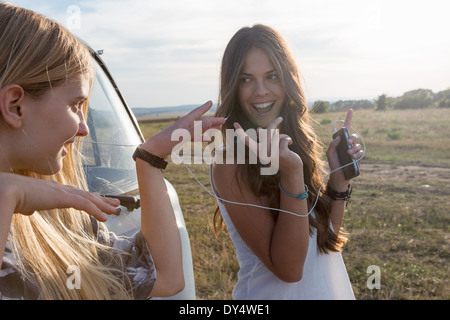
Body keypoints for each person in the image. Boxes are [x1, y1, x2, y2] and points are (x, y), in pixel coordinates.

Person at [0, 3, 225, 300]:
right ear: (15, 106)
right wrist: (8, 193)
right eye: (74, 106)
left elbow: (166, 277)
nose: (84, 129)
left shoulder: (62, 217)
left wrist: (149, 159)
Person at [211, 24, 363, 299]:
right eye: (246, 79)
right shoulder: (229, 162)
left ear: (287, 79)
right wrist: (292, 175)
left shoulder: (294, 143)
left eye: (271, 76)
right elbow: (290, 269)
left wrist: (338, 183)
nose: (260, 91)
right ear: (233, 86)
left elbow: (323, 241)